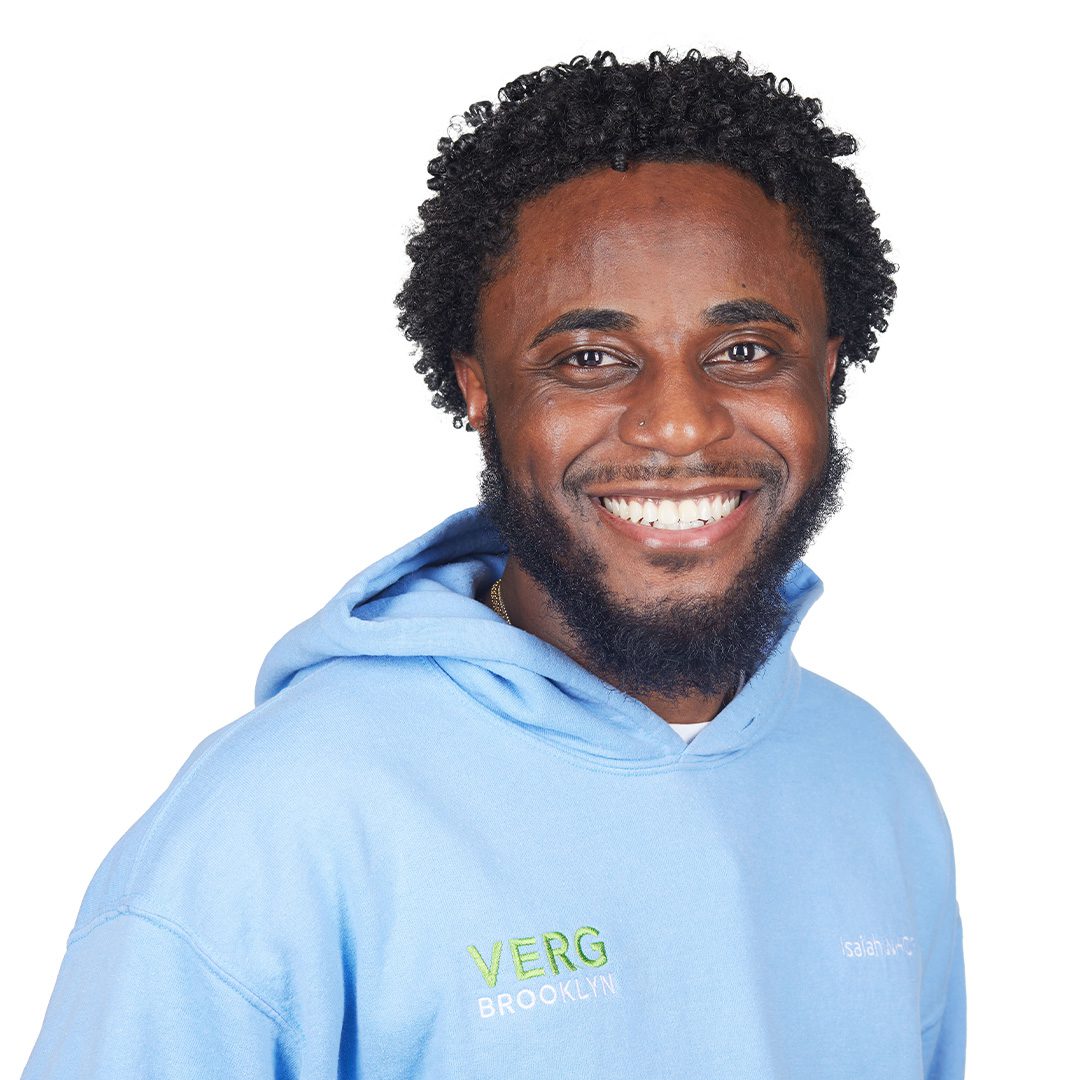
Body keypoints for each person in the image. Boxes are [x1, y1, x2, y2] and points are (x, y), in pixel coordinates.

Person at [23, 50, 964, 1079]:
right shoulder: (275, 824)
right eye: (590, 359)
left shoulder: (875, 778)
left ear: (826, 370)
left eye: (744, 352)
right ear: (478, 390)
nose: (680, 424)